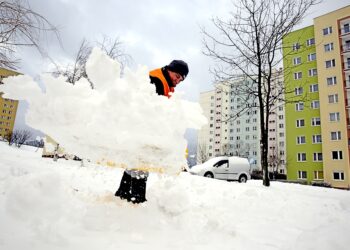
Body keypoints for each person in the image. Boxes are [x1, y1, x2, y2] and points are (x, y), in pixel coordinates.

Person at [115, 60, 189, 204]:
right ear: (170, 69)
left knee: (136, 163)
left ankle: (123, 194)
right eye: (177, 75)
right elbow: (152, 112)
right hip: (141, 130)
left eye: (181, 78)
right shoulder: (156, 81)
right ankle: (136, 198)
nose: (178, 80)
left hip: (143, 131)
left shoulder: (165, 82)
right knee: (141, 163)